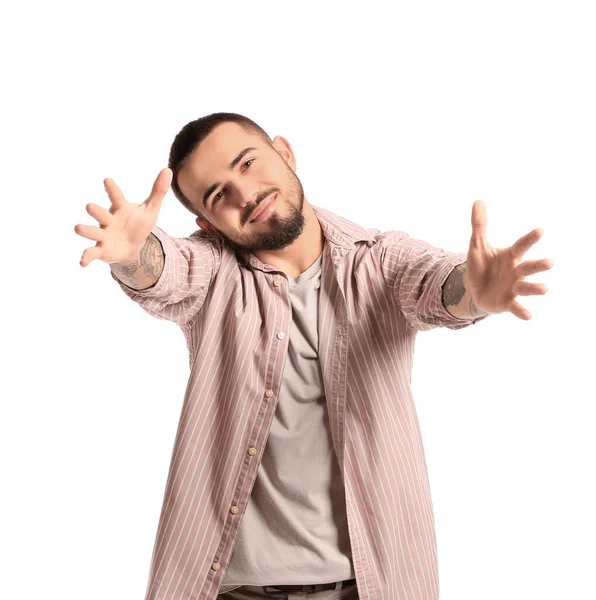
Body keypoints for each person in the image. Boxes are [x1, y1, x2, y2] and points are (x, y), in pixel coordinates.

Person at [74, 112, 553, 600]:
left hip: (369, 588)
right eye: (219, 195)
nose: (245, 194)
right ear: (206, 223)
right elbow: (167, 271)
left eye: (248, 163)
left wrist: (473, 292)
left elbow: (433, 286)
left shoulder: (380, 261)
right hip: (229, 590)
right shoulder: (212, 270)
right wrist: (133, 255)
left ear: (285, 151)